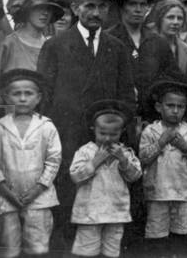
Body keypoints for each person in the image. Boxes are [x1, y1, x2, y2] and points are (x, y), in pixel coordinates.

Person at [38, 0, 136, 220]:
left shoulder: (117, 47)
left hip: (104, 138)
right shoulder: (56, 46)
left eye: (102, 6)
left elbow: (125, 97)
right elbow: (44, 97)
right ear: (74, 7)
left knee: (103, 203)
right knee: (68, 198)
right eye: (89, 6)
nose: (96, 13)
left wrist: (119, 134)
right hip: (67, 135)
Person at [0, 68, 61, 258]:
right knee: (9, 247)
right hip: (6, 197)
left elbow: (54, 161)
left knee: (37, 247)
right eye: (16, 93)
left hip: (39, 197)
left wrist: (37, 189)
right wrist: (5, 190)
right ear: (6, 96)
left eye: (28, 93)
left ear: (38, 98)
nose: (22, 99)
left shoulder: (46, 126)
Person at [138, 78, 187, 257]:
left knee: (180, 233)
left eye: (180, 107)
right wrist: (161, 142)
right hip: (157, 192)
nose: (175, 111)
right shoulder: (150, 131)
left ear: (185, 108)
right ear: (159, 107)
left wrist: (185, 147)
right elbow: (143, 158)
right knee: (157, 234)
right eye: (170, 105)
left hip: (181, 192)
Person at [68, 100, 142, 258]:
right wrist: (95, 161)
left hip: (116, 212)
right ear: (93, 129)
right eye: (102, 133)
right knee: (86, 251)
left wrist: (123, 160)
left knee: (111, 250)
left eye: (113, 134)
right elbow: (75, 176)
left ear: (121, 132)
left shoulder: (125, 153)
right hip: (90, 213)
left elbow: (135, 176)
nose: (107, 138)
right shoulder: (85, 151)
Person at [109, 0, 177, 112]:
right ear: (121, 6)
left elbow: (172, 78)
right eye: (132, 4)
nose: (138, 9)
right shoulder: (108, 39)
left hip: (152, 116)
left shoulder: (158, 42)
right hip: (118, 116)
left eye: (143, 4)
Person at [0, 0, 60, 96]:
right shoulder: (8, 44)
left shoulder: (51, 46)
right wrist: (9, 110)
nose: (45, 13)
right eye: (39, 8)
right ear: (27, 10)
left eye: (49, 9)